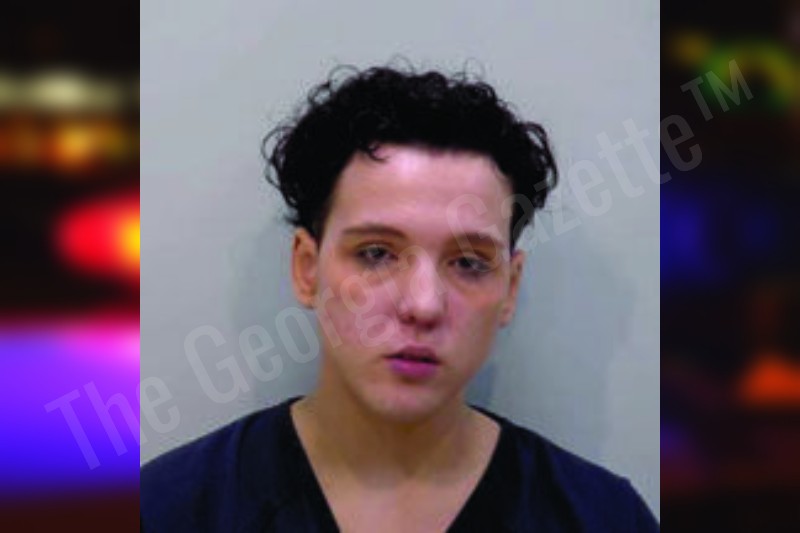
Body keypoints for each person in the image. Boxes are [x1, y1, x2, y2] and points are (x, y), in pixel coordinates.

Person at [140, 65, 659, 532]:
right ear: (306, 269)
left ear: (510, 288)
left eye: (469, 263)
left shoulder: (604, 518)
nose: (423, 306)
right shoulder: (171, 510)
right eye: (375, 254)